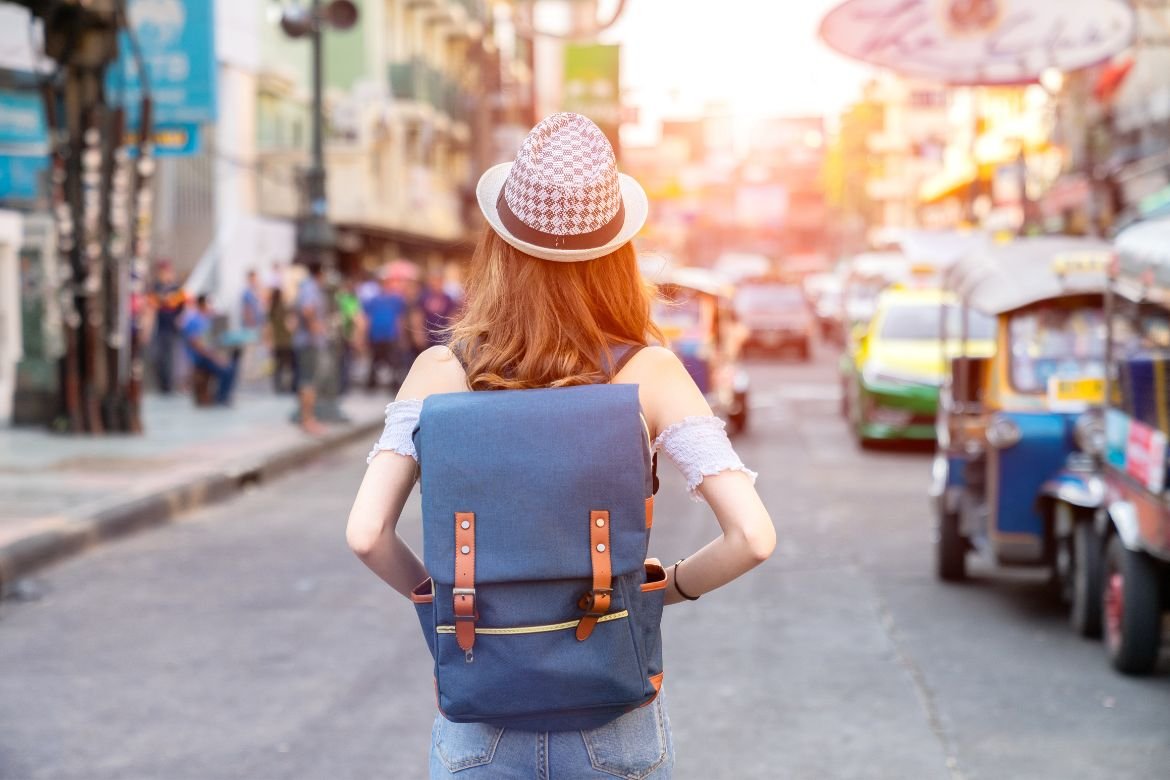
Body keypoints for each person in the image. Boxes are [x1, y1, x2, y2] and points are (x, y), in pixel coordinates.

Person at [345, 113, 775, 777]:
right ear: (618, 256)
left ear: (500, 248)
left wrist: (445, 602)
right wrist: (668, 591)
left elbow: (367, 534)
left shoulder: (439, 373)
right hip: (613, 723)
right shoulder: (652, 374)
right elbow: (753, 537)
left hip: (480, 727)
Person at [182, 295, 238, 406]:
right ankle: (220, 399)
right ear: (202, 304)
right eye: (208, 303)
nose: (210, 306)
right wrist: (216, 358)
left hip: (211, 355)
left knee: (231, 365)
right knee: (226, 369)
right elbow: (197, 345)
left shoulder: (207, 319)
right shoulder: (194, 320)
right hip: (201, 358)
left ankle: (223, 396)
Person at [293, 263, 327, 434]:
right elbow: (307, 310)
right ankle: (308, 419)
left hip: (305, 341)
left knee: (306, 380)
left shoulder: (305, 287)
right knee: (309, 381)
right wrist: (316, 329)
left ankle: (305, 418)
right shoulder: (310, 288)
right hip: (309, 342)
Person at [363, 274, 406, 392]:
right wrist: (364, 335)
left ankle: (394, 384)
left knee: (393, 360)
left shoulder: (396, 300)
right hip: (376, 334)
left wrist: (400, 335)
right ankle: (371, 383)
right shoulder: (373, 300)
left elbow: (399, 318)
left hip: (390, 334)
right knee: (374, 360)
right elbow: (367, 318)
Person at [148, 260, 186, 394]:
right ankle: (162, 384)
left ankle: (169, 385)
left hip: (172, 327)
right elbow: (153, 303)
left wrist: (169, 302)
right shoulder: (156, 287)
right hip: (159, 327)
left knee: (171, 357)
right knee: (158, 356)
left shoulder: (176, 288)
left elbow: (182, 305)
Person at [268, 285, 297, 394]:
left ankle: (278, 387)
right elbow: (289, 325)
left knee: (278, 366)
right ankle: (290, 387)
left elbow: (269, 327)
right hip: (286, 341)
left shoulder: (272, 309)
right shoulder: (285, 308)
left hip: (277, 342)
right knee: (290, 365)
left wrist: (270, 341)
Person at [419, 269, 457, 348]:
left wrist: (453, 335)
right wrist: (419, 335)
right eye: (433, 280)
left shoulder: (447, 299)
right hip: (427, 336)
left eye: (438, 281)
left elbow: (452, 317)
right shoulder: (424, 297)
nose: (435, 283)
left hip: (444, 337)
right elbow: (418, 317)